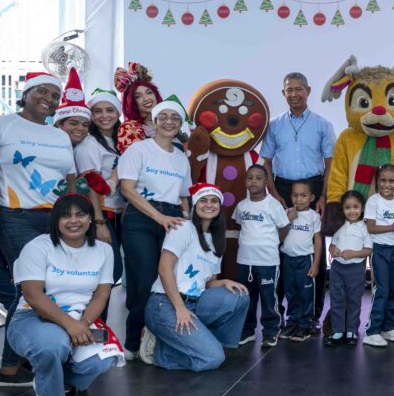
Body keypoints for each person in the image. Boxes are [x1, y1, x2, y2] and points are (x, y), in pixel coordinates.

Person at [0, 71, 75, 388]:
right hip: (15, 215)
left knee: (39, 287)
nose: (49, 98)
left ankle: (30, 357)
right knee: (32, 287)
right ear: (25, 93)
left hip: (55, 218)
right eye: (42, 91)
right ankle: (9, 368)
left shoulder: (59, 135)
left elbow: (69, 179)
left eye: (55, 95)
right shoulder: (0, 125)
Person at [7, 194, 117, 396]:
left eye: (80, 214)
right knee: (52, 344)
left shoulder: (104, 250)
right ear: (55, 220)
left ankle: (60, 378)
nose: (73, 220)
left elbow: (102, 294)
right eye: (65, 215)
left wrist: (83, 324)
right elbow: (33, 295)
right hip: (33, 317)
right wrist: (71, 326)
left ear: (90, 218)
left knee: (107, 355)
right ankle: (49, 392)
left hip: (80, 318)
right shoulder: (38, 247)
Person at [142, 183, 250, 371]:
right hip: (165, 304)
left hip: (195, 301)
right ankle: (160, 350)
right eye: (204, 200)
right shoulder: (183, 228)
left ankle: (202, 342)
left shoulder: (216, 240)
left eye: (214, 201)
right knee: (212, 358)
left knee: (239, 296)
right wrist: (180, 308)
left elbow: (207, 283)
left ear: (220, 206)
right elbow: (164, 269)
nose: (209, 205)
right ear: (195, 204)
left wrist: (223, 281)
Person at [261, 72, 336, 333]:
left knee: (315, 249)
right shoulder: (274, 125)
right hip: (282, 188)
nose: (294, 94)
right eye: (289, 90)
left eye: (299, 89)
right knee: (280, 250)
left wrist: (324, 195)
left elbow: (330, 165)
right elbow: (267, 162)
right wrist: (275, 194)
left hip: (314, 187)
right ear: (283, 94)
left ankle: (312, 314)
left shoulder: (322, 125)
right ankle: (281, 313)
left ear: (309, 91)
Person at [118, 99, 192, 361]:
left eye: (175, 117)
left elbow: (183, 196)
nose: (169, 121)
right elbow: (127, 189)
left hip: (171, 218)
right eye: (164, 116)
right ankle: (131, 342)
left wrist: (187, 223)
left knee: (168, 280)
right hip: (141, 218)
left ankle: (156, 335)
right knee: (146, 280)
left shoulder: (182, 158)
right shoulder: (138, 150)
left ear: (180, 124)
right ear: (154, 120)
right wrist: (158, 216)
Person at [233, 164, 289, 348]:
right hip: (244, 261)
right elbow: (242, 226)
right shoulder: (242, 206)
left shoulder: (273, 205)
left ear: (266, 181)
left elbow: (284, 227)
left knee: (268, 299)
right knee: (246, 299)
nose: (253, 181)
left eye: (258, 178)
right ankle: (247, 331)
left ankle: (271, 331)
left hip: (267, 261)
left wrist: (273, 243)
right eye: (250, 178)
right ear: (245, 181)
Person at [74, 87, 125, 283]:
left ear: (118, 112)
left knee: (114, 272)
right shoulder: (89, 144)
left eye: (110, 110)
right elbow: (89, 185)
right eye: (98, 111)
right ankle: (94, 314)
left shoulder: (120, 140)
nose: (104, 116)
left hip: (120, 214)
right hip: (101, 214)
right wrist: (98, 223)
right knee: (109, 271)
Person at [363, 164, 394, 348]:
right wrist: (393, 227)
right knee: (381, 290)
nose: (387, 184)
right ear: (377, 181)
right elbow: (371, 227)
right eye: (383, 180)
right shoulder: (373, 201)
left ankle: (388, 327)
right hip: (379, 249)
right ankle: (372, 330)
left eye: (391, 181)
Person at [325, 190, 372, 347]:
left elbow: (368, 250)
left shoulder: (365, 228)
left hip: (356, 269)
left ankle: (351, 331)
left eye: (355, 207)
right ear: (342, 209)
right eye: (347, 207)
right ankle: (338, 331)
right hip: (337, 268)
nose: (352, 211)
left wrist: (354, 254)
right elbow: (332, 245)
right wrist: (333, 250)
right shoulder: (339, 226)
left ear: (362, 208)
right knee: (337, 299)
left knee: (354, 300)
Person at [278, 181, 323, 343]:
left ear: (311, 197)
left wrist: (316, 264)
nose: (299, 199)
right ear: (291, 197)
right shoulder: (287, 212)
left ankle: (305, 324)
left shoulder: (314, 216)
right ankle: (292, 322)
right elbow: (278, 235)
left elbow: (318, 241)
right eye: (295, 195)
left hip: (305, 260)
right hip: (288, 259)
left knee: (305, 293)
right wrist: (288, 220)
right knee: (291, 292)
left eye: (303, 196)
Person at [114, 62, 162, 154]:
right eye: (138, 96)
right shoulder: (129, 128)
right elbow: (132, 163)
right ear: (132, 102)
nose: (146, 99)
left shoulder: (170, 123)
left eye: (149, 92)